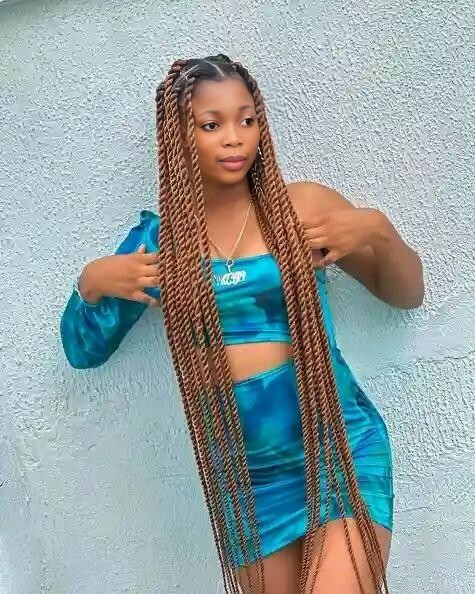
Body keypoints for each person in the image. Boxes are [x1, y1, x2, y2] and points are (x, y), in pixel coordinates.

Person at [60, 55, 424, 594]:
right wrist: (90, 284)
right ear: (179, 136)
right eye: (212, 124)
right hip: (247, 479)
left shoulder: (301, 209)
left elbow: (406, 294)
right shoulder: (159, 245)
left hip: (337, 448)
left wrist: (378, 230)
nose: (234, 137)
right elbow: (82, 351)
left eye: (247, 119)